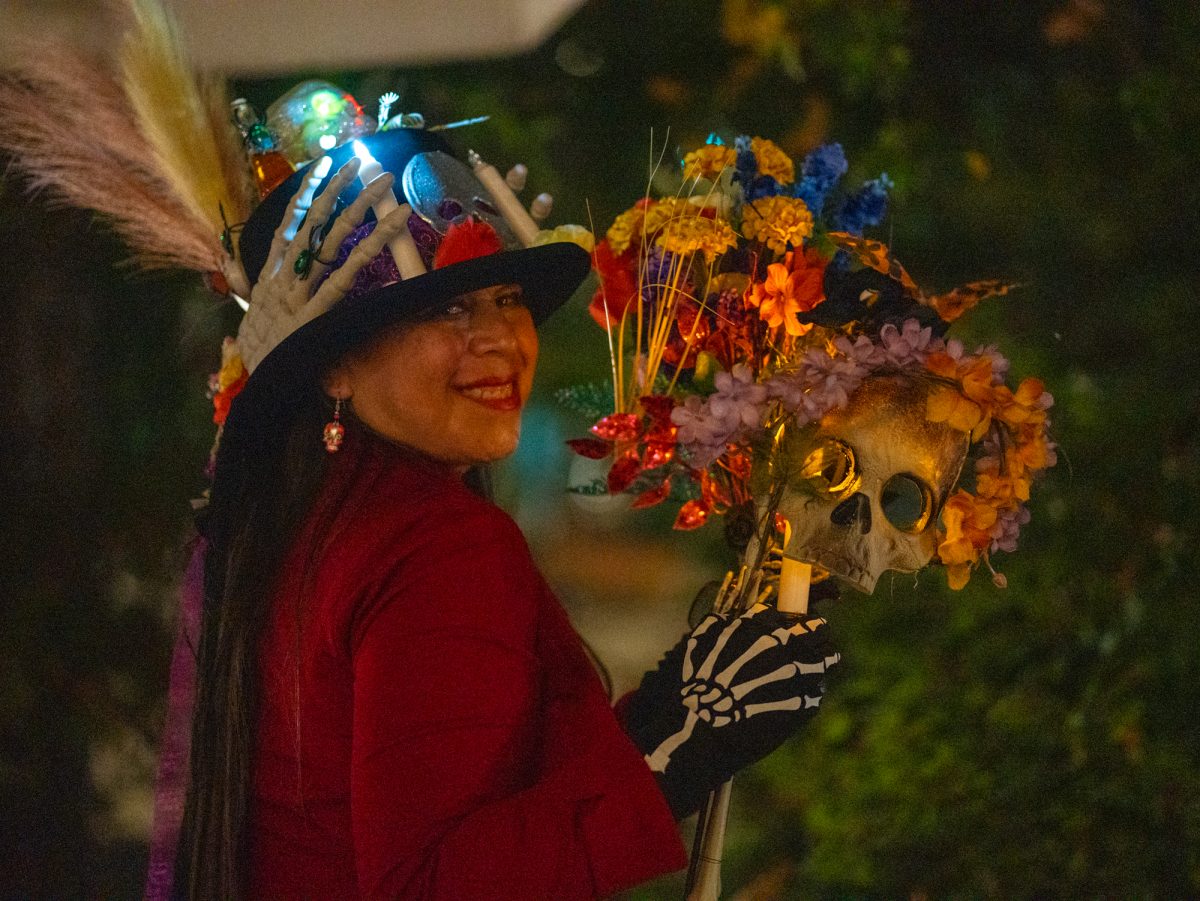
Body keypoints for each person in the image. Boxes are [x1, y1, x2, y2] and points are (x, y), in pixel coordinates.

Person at [173, 130, 839, 899]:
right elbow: (434, 883)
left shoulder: (313, 523)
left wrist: (676, 708)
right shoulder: (433, 544)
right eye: (448, 306)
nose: (495, 338)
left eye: (506, 300)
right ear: (335, 364)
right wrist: (673, 743)